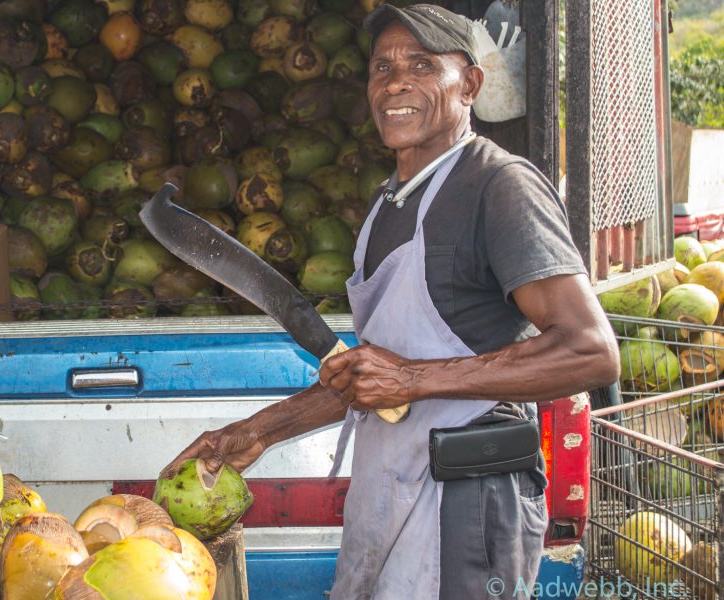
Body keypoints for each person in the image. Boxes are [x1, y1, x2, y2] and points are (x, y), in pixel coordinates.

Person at [161, 4, 619, 599]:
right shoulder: (390, 203)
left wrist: (411, 377)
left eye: (423, 65)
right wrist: (259, 430)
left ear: (470, 85)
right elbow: (374, 375)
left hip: (466, 504)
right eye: (383, 67)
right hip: (393, 488)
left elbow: (590, 352)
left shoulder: (498, 186)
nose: (396, 82)